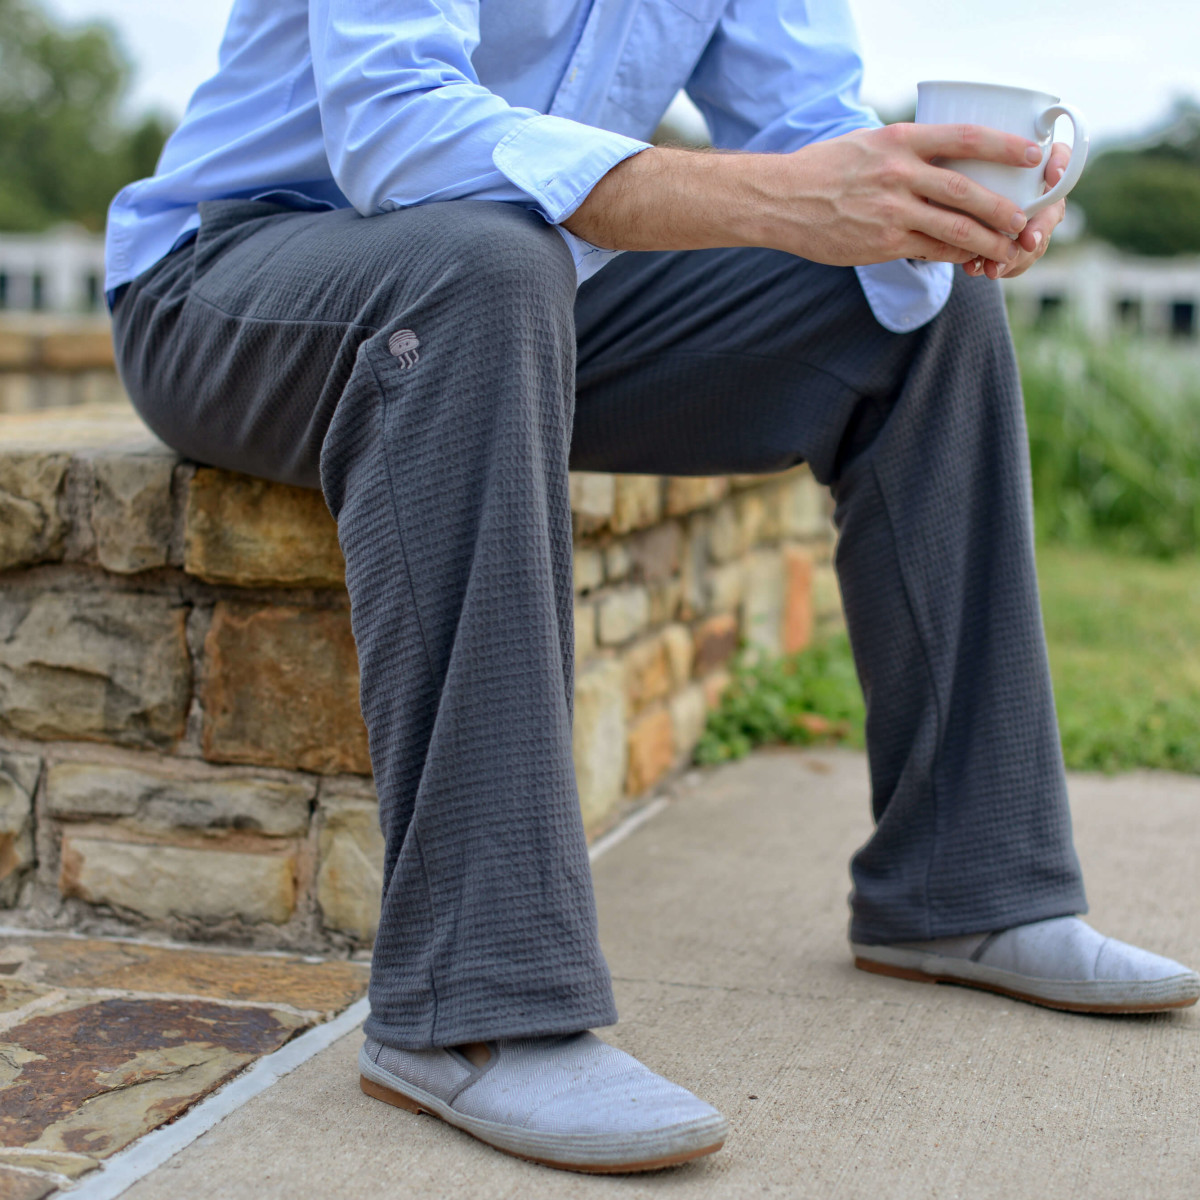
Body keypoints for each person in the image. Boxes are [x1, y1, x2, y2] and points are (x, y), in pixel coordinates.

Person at [105, 0, 1199, 1175]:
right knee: (481, 260)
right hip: (234, 280)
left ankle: (969, 884)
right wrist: (784, 198)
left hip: (539, 288)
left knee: (922, 311)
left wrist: (923, 211)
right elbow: (398, 133)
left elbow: (802, 125)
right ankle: (472, 1001)